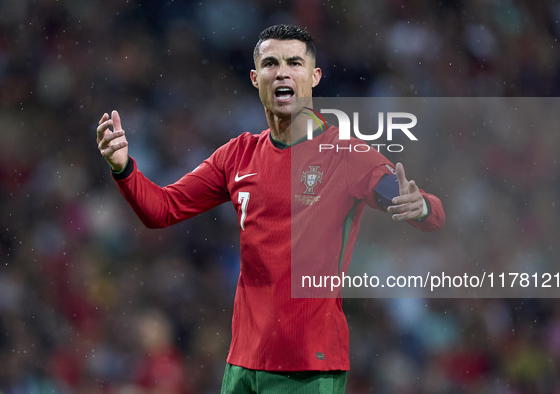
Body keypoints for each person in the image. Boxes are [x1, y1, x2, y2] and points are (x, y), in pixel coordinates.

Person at [96, 24, 445, 394]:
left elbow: (427, 211)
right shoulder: (237, 154)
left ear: (314, 76)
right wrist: (123, 167)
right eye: (271, 63)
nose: (282, 72)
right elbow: (161, 209)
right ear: (254, 77)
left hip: (307, 366)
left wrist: (421, 206)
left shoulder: (346, 154)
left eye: (294, 63)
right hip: (242, 364)